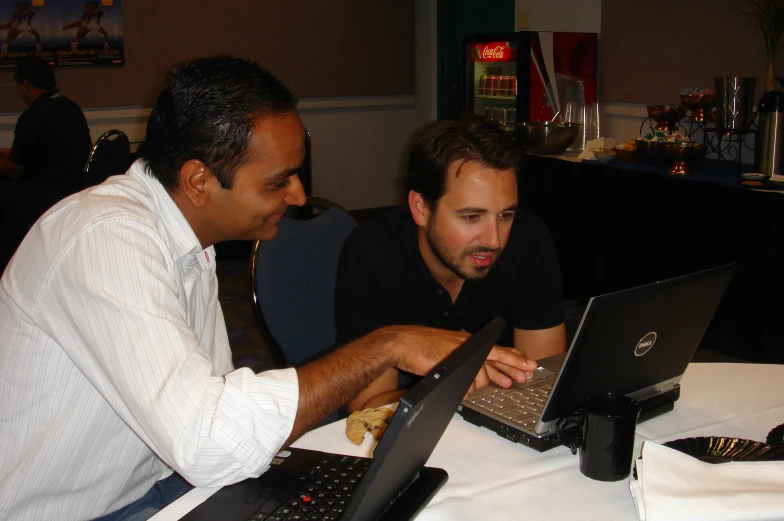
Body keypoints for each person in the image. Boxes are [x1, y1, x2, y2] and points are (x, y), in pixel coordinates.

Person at [0, 56, 536, 521]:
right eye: (279, 180)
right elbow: (208, 441)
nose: (300, 195)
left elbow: (210, 403)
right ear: (198, 181)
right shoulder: (105, 240)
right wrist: (390, 344)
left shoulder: (183, 238)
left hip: (159, 484)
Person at [335, 114, 567, 413]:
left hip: (498, 419)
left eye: (505, 215)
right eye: (471, 217)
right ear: (421, 208)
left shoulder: (529, 240)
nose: (494, 240)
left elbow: (541, 384)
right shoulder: (372, 252)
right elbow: (367, 410)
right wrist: (450, 388)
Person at [0, 54, 92, 195]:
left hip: (46, 193)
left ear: (26, 84)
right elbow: (32, 154)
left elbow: (14, 169)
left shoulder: (33, 116)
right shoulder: (70, 106)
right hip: (75, 186)